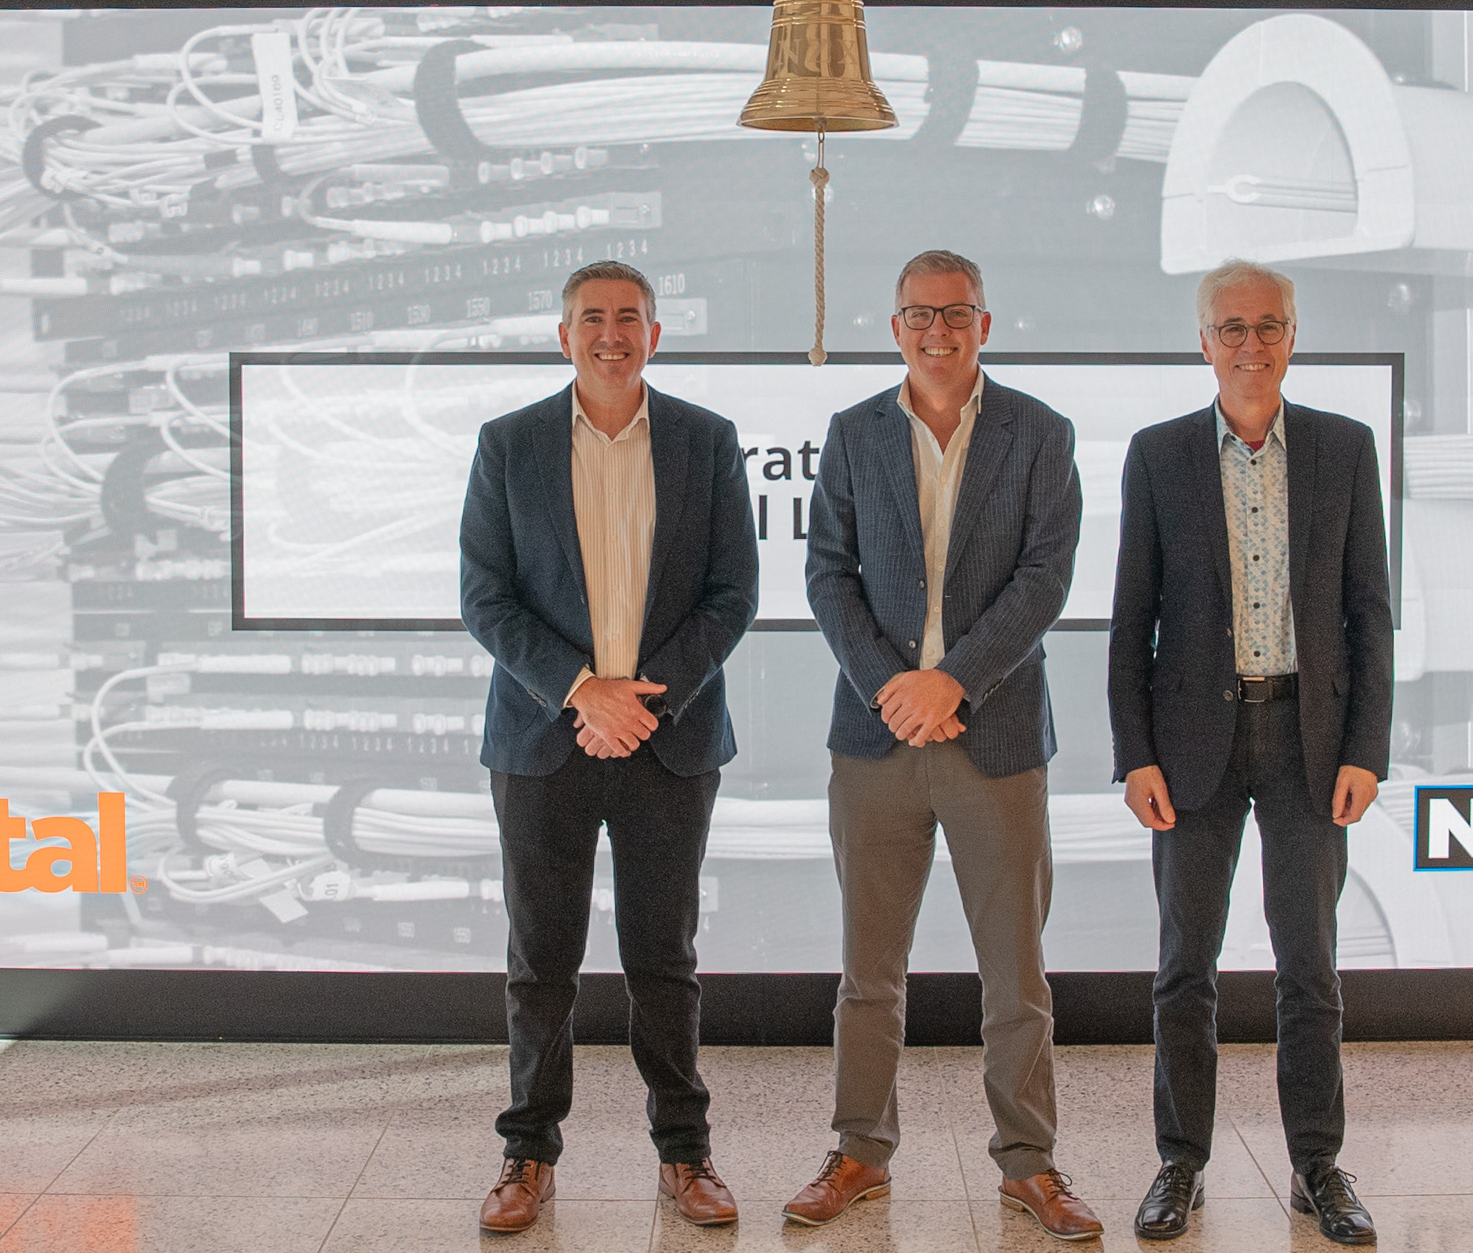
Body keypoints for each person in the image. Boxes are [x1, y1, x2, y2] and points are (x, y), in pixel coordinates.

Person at [786, 250, 1100, 1242]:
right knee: (866, 971)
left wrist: (952, 679)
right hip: (875, 739)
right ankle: (858, 1152)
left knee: (1014, 973)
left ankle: (1029, 1164)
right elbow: (826, 574)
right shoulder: (851, 434)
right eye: (917, 314)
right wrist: (893, 684)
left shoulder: (1038, 433)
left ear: (983, 321)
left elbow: (1043, 578)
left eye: (954, 313)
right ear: (894, 326)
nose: (936, 330)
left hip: (992, 735)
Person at [458, 260, 758, 1234]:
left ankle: (685, 1152)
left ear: (655, 335)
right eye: (591, 318)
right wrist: (582, 691)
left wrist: (640, 702)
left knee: (660, 957)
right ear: (563, 337)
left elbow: (730, 593)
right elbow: (484, 597)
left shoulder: (705, 442)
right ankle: (525, 1154)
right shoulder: (507, 445)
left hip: (666, 741)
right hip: (545, 738)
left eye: (628, 317)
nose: (610, 333)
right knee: (539, 959)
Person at [1108, 259, 1393, 1245]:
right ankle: (1177, 1161)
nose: (1248, 344)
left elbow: (1368, 615)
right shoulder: (1155, 456)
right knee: (1182, 964)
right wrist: (1133, 753)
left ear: (1289, 334)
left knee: (1308, 966)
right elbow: (1130, 619)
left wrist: (1367, 747)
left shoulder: (1343, 450)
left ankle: (1317, 1163)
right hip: (1190, 747)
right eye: (1228, 328)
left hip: (1310, 745)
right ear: (1202, 342)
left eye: (1265, 325)